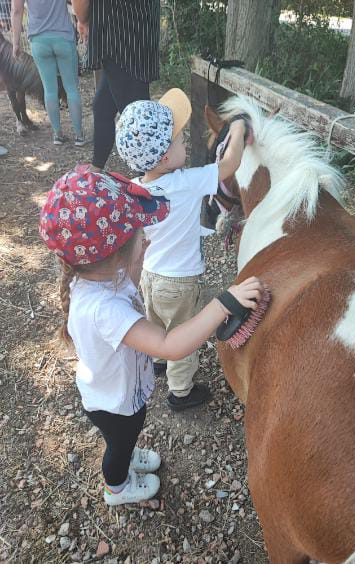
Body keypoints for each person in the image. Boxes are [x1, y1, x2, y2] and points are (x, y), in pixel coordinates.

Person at [39, 166, 263, 505]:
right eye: (139, 235)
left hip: (114, 393)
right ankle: (117, 487)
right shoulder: (107, 310)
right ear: (115, 254)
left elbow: (130, 279)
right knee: (119, 444)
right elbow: (169, 345)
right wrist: (223, 304)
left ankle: (127, 456)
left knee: (126, 437)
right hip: (114, 405)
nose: (147, 239)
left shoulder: (96, 277)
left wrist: (135, 256)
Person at [115, 88, 250, 411]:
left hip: (150, 274)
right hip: (180, 281)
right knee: (183, 334)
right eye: (179, 140)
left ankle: (158, 360)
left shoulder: (137, 189)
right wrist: (240, 126)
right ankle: (181, 391)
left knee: (155, 321)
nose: (186, 143)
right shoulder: (187, 182)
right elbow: (230, 164)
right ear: (164, 156)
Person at [71, 0, 159, 171]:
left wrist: (82, 20)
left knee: (136, 121)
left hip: (118, 34)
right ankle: (96, 168)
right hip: (137, 29)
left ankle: (152, 182)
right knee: (102, 107)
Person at [11, 0, 88, 146]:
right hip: (63, 36)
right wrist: (83, 23)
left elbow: (16, 10)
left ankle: (58, 135)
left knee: (49, 90)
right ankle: (79, 136)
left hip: (38, 39)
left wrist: (15, 43)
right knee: (71, 89)